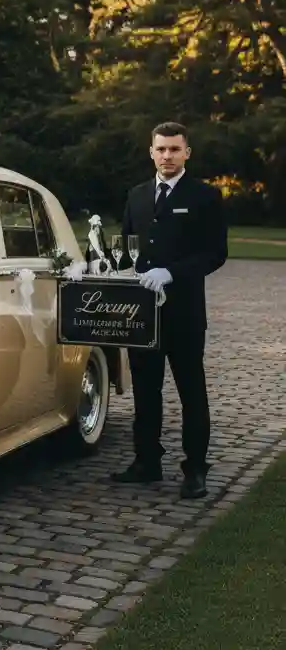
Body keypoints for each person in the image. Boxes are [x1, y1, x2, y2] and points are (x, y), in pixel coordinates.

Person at [111, 121, 228, 499]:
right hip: (142, 315)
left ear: (187, 153)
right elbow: (126, 249)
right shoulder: (137, 195)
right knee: (146, 391)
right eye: (161, 149)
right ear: (151, 152)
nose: (167, 156)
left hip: (185, 314)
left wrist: (172, 272)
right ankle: (147, 462)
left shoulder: (206, 196)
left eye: (175, 149)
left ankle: (195, 469)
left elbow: (216, 254)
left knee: (191, 391)